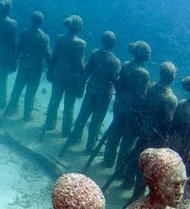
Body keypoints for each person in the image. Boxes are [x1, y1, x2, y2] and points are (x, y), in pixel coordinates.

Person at [125, 61, 178, 198]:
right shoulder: (170, 99)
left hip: (144, 129)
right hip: (155, 136)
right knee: (146, 165)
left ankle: (127, 182)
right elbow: (167, 121)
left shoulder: (153, 88)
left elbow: (144, 107)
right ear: (172, 77)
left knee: (135, 156)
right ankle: (136, 195)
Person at [62, 31, 120, 152]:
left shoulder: (95, 54)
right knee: (96, 121)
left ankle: (74, 138)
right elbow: (116, 81)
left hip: (91, 91)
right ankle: (90, 147)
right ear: (113, 44)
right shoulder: (115, 61)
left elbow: (86, 72)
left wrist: (80, 87)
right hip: (103, 95)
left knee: (82, 116)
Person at [102, 41, 151, 169]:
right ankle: (119, 169)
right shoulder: (143, 74)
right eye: (148, 53)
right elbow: (141, 96)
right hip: (132, 110)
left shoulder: (125, 65)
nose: (149, 55)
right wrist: (140, 114)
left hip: (119, 105)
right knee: (127, 141)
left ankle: (107, 160)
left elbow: (119, 84)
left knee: (114, 134)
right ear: (143, 54)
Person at [42, 15, 86, 140]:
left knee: (54, 100)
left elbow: (54, 56)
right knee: (69, 104)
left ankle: (49, 123)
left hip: (58, 73)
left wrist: (50, 71)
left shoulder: (60, 38)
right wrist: (84, 74)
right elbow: (79, 63)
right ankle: (65, 131)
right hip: (71, 77)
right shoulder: (81, 43)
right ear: (78, 27)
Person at [5, 11, 50, 120]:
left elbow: (18, 48)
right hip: (36, 69)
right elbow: (47, 54)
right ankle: (26, 114)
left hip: (24, 66)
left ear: (31, 20)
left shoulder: (25, 33)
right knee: (31, 92)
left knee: (17, 88)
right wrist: (50, 67)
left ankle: (11, 109)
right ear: (42, 22)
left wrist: (14, 61)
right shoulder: (44, 37)